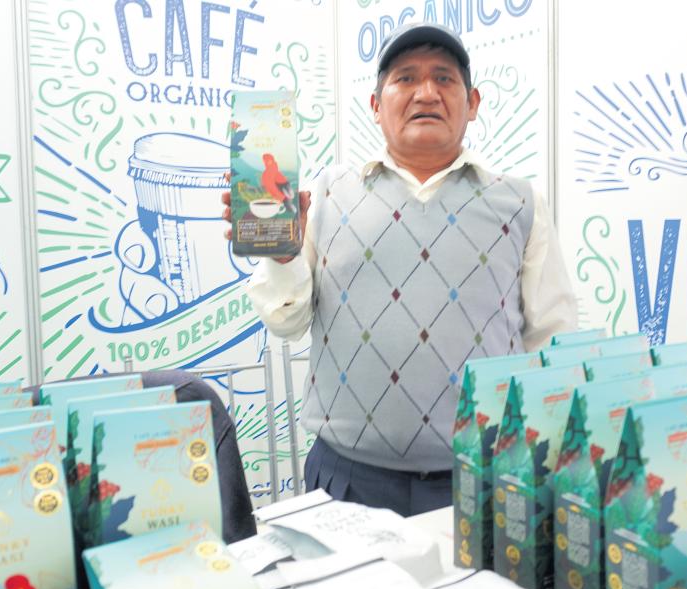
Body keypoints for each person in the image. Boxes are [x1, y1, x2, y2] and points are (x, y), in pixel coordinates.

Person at [224, 23, 577, 517]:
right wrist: (283, 256)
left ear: (473, 103)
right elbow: (286, 322)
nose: (426, 93)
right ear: (375, 105)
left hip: (487, 477)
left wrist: (548, 463)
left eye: (444, 78)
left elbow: (552, 339)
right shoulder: (326, 194)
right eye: (405, 78)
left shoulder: (521, 202)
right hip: (346, 480)